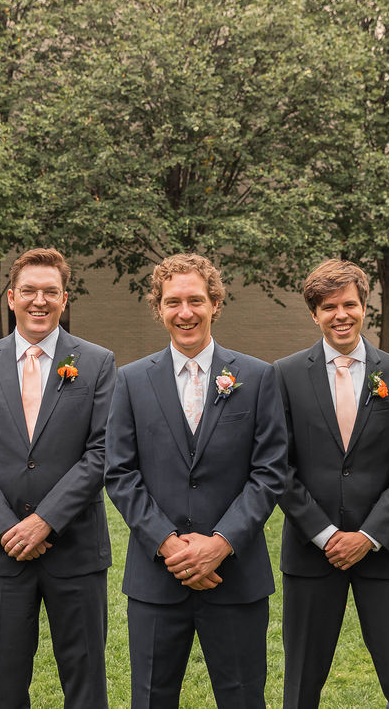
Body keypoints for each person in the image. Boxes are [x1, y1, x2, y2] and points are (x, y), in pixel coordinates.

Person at [105, 252, 288, 708]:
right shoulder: (129, 381)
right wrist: (169, 544)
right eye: (172, 302)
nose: (184, 313)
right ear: (159, 308)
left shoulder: (258, 377)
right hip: (156, 577)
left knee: (243, 697)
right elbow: (120, 473)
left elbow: (269, 472)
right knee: (150, 698)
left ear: (215, 304)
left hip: (236, 576)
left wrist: (220, 543)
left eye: (195, 300)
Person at [0, 248, 115, 709]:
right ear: (10, 297)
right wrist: (8, 528)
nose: (38, 301)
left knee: (85, 680)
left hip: (76, 549)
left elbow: (101, 452)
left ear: (65, 298)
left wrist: (45, 521)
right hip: (1, 554)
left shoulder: (98, 362)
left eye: (50, 292)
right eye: (29, 291)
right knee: (2, 683)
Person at [273, 259, 389, 709]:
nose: (340, 315)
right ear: (314, 314)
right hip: (310, 550)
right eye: (328, 307)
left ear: (365, 307)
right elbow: (278, 466)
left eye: (349, 305)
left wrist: (368, 535)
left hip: (385, 550)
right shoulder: (283, 374)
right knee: (301, 679)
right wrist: (324, 535)